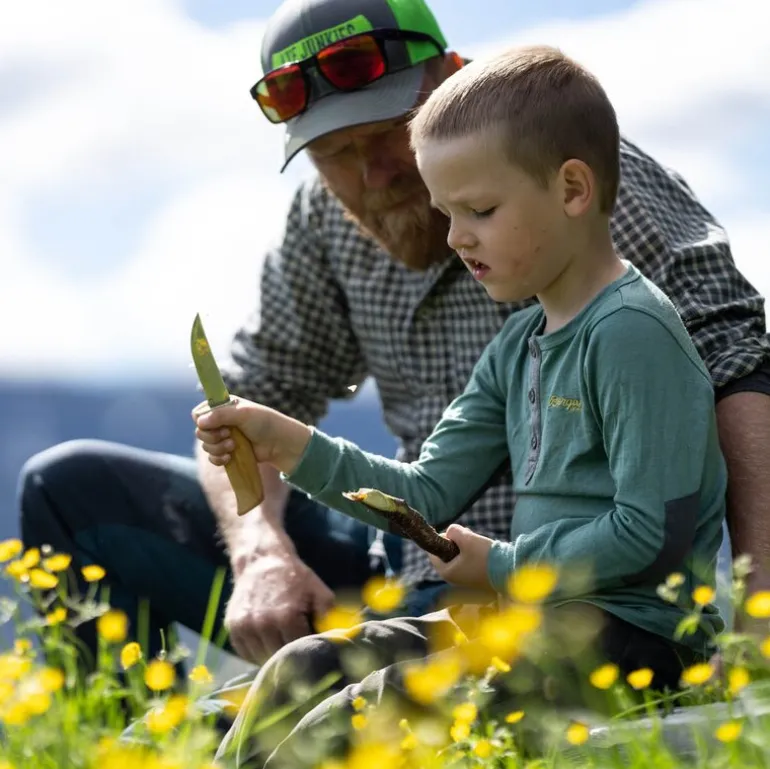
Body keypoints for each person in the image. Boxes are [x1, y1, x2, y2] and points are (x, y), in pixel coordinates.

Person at [17, 0, 770, 676]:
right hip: (400, 551)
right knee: (69, 490)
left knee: (310, 692)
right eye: (333, 154)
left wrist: (760, 608)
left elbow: (736, 358)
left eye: (390, 136)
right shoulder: (323, 224)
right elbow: (273, 401)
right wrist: (261, 554)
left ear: (451, 81)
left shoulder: (579, 189)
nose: (373, 176)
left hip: (561, 593)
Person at [195, 44, 727, 769]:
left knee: (378, 700)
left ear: (573, 190)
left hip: (638, 641)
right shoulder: (521, 343)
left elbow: (648, 536)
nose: (455, 238)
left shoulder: (632, 333)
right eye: (447, 213)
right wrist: (287, 444)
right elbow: (426, 491)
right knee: (307, 666)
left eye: (479, 210)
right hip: (533, 621)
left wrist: (503, 565)